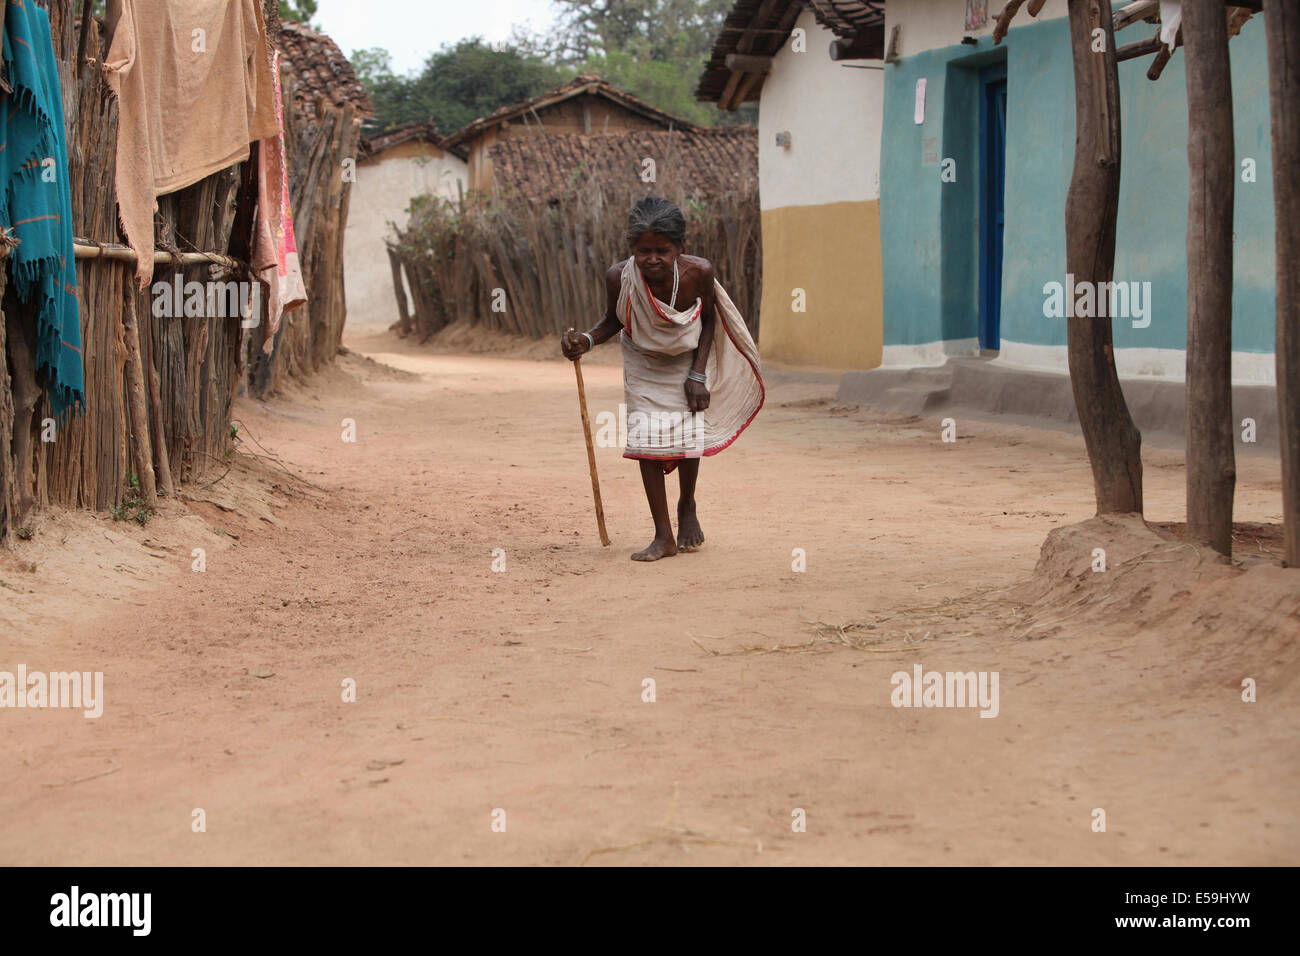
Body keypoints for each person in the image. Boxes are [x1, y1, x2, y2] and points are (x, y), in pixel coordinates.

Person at [562, 196, 764, 561]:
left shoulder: (698, 272)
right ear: (631, 250)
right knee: (646, 442)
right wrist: (586, 341)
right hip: (642, 361)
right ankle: (663, 536)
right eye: (642, 251)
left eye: (662, 250)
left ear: (680, 248)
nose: (651, 259)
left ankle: (687, 506)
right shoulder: (618, 277)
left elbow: (709, 322)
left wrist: (698, 375)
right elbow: (614, 319)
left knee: (687, 437)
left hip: (687, 359)